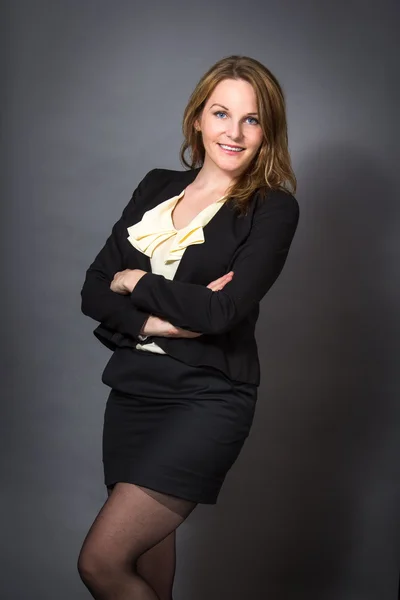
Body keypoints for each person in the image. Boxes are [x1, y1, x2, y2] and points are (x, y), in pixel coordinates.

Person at [77, 54, 300, 600]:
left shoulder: (272, 208)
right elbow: (90, 290)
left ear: (267, 130)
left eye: (251, 119)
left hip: (206, 398)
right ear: (198, 118)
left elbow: (222, 313)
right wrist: (162, 320)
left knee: (101, 564)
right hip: (134, 393)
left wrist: (135, 282)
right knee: (146, 570)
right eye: (222, 113)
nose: (234, 131)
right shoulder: (156, 186)